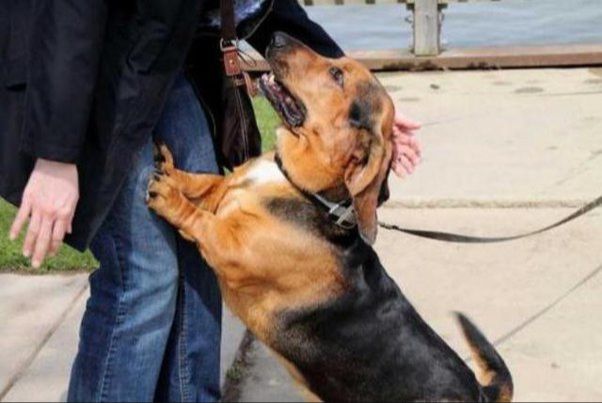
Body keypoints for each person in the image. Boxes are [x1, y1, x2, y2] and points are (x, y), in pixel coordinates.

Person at [0, 1, 421, 401]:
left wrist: (363, 110)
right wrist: (56, 156)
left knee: (201, 238)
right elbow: (71, 11)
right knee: (144, 277)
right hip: (71, 66)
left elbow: (256, 4)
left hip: (156, 55)